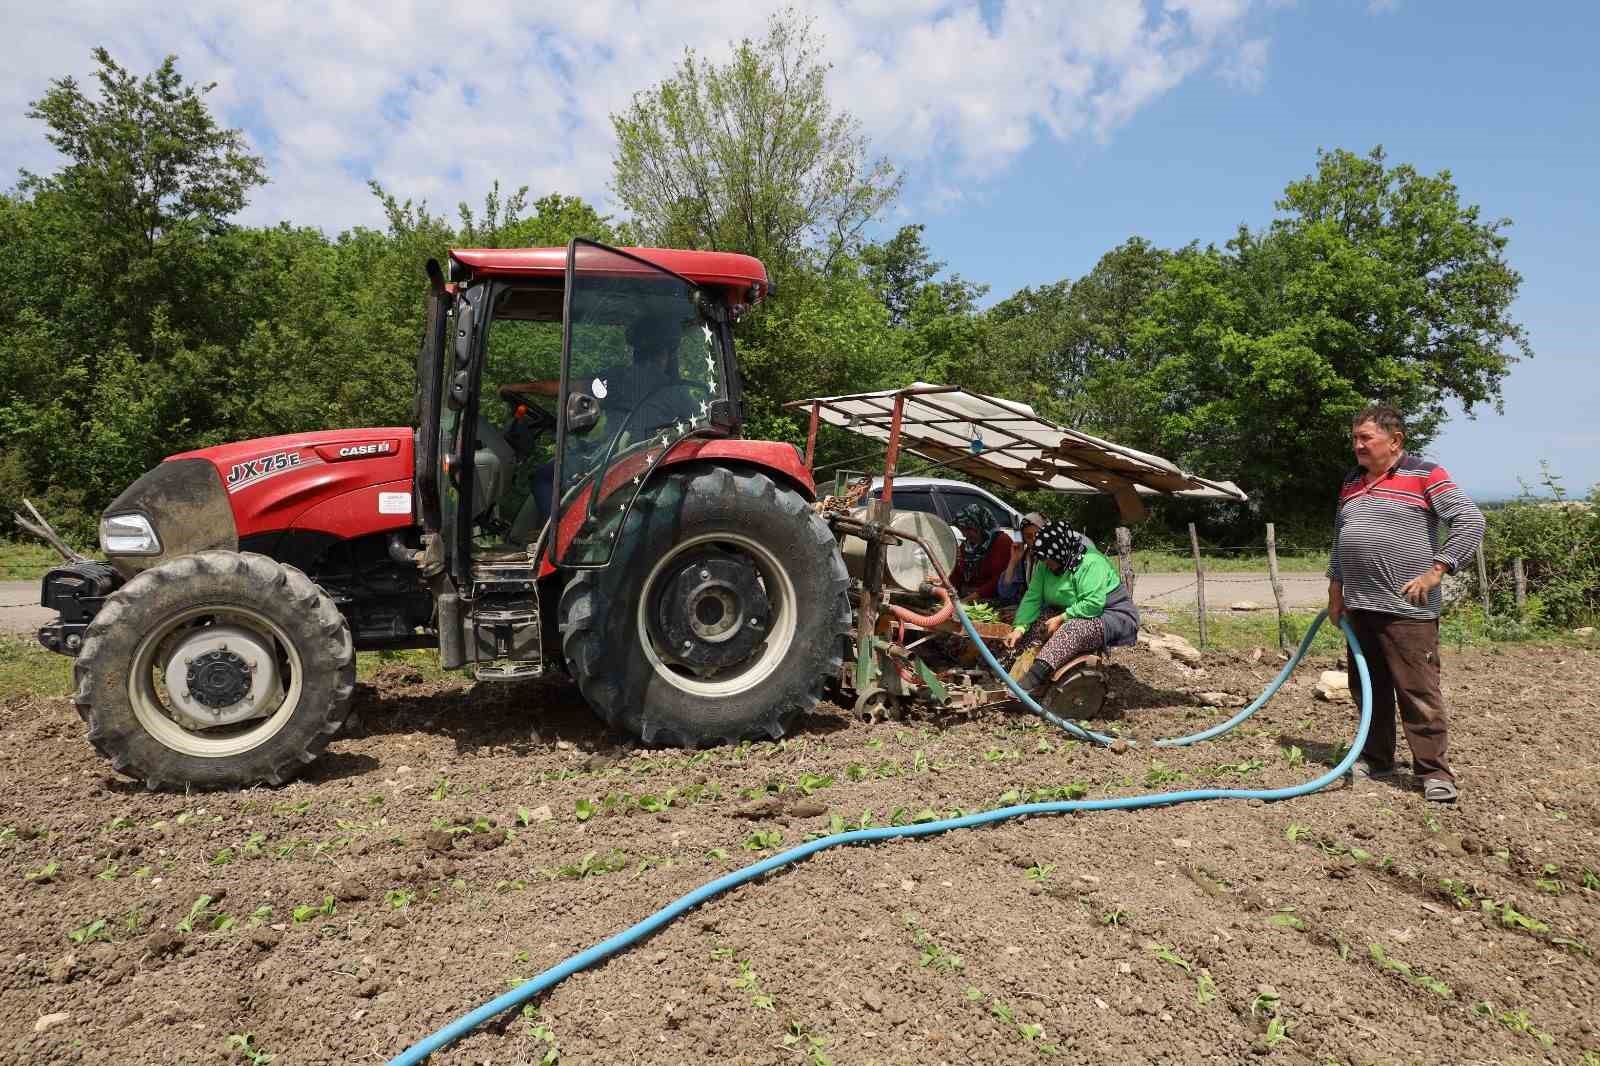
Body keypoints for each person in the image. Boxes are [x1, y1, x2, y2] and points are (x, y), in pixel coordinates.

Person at [1328, 403, 1484, 803]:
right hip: (1360, 607)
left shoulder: (1425, 474)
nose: (1357, 445)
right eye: (1354, 438)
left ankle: (1434, 772)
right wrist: (1335, 592)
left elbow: (1470, 521)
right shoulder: (1351, 481)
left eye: (1366, 438)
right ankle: (1377, 758)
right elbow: (1339, 539)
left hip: (1408, 610)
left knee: (1417, 691)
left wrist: (1438, 570)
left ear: (1394, 440)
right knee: (1368, 688)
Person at [502, 313, 692, 541]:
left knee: (544, 477)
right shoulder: (678, 392)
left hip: (617, 459)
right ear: (664, 354)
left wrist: (521, 387)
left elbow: (569, 386)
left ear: (637, 350)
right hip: (647, 459)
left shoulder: (622, 379)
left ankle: (553, 537)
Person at [1002, 522, 1139, 695]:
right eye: (1044, 560)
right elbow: (1032, 598)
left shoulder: (1091, 562)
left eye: (1050, 560)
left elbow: (1093, 603)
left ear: (1060, 552)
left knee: (1072, 629)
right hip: (1075, 611)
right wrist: (1019, 628)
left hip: (1110, 614)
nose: (1047, 564)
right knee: (1040, 622)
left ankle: (1033, 679)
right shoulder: (1045, 564)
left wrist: (1062, 618)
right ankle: (1012, 667)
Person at [952, 504, 1014, 601]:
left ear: (981, 526)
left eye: (968, 529)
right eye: (962, 529)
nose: (964, 534)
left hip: (990, 599)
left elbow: (998, 580)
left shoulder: (1002, 542)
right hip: (966, 598)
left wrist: (969, 599)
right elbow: (956, 575)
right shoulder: (967, 546)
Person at [995, 511, 1044, 606]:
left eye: (1038, 535)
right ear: (1023, 539)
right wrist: (1013, 561)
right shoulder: (1026, 559)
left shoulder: (1051, 559)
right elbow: (1005, 593)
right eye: (1029, 536)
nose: (1034, 540)